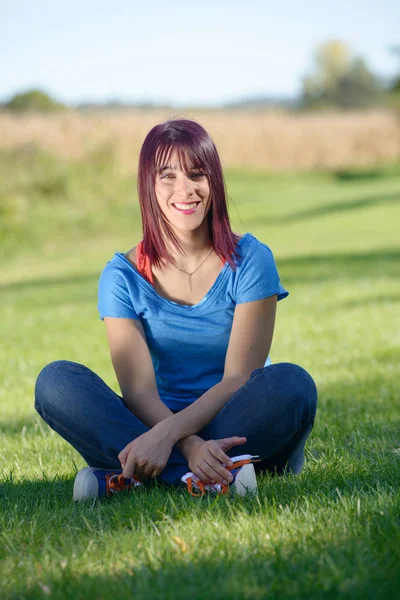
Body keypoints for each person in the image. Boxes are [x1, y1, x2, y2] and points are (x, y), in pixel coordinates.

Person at [34, 118, 318, 501]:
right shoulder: (122, 276)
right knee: (56, 383)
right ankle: (215, 473)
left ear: (213, 182)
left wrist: (168, 438)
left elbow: (238, 378)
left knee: (292, 385)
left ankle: (131, 474)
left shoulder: (251, 259)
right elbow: (137, 391)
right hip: (152, 420)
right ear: (148, 186)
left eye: (197, 174)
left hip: (237, 416)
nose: (184, 190)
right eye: (167, 176)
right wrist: (188, 445)